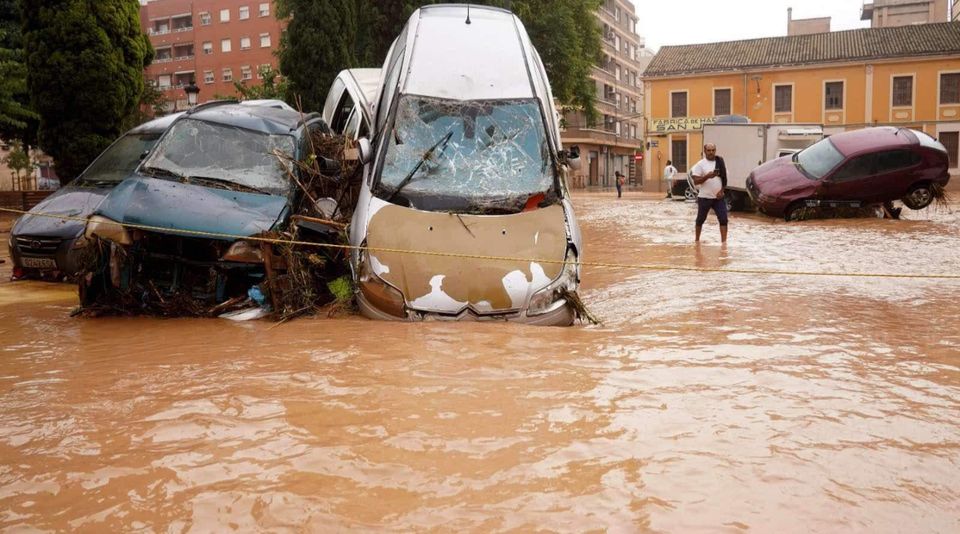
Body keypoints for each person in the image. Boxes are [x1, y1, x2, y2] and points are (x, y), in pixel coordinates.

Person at [690, 143, 728, 243]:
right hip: (704, 197)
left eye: (713, 150)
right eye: (709, 150)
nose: (711, 152)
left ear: (715, 150)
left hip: (718, 198)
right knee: (700, 220)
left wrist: (722, 191)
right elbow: (696, 181)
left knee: (723, 219)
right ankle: (697, 240)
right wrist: (707, 176)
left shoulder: (720, 162)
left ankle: (724, 244)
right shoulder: (700, 164)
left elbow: (724, 179)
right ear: (705, 151)